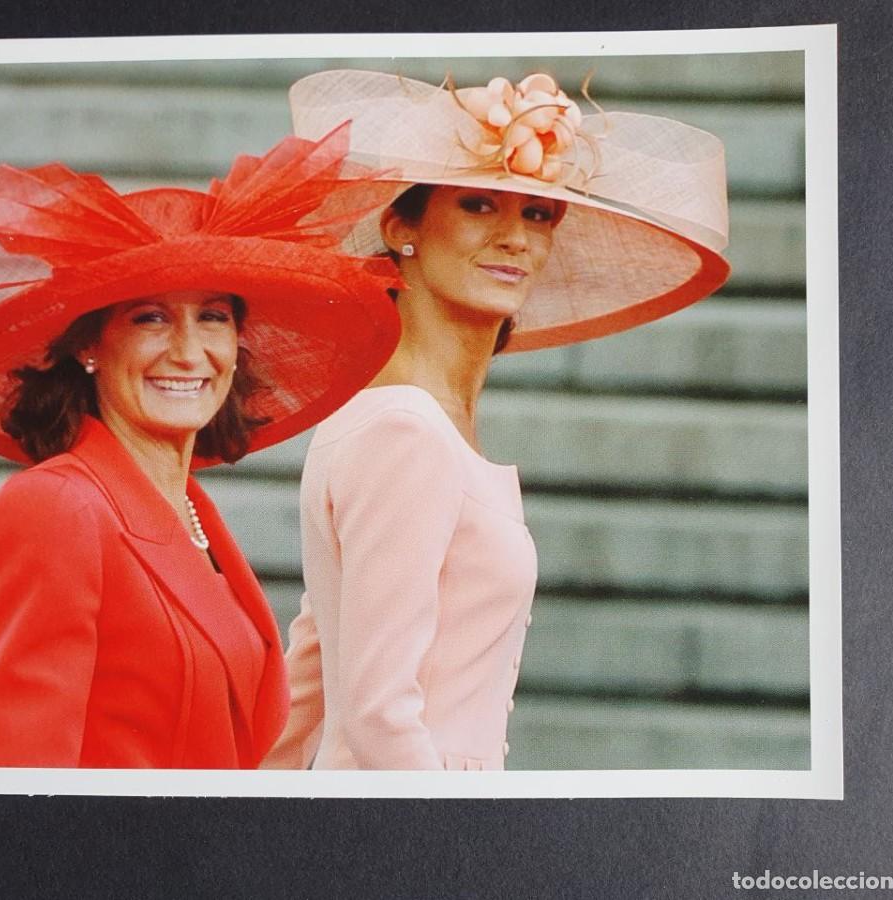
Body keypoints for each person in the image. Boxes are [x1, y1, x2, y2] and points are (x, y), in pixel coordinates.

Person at [262, 69, 731, 770]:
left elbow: (315, 666)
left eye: (538, 215)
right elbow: (378, 714)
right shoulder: (404, 431)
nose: (516, 237)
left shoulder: (407, 419)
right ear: (401, 227)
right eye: (480, 205)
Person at [0, 126, 402, 768]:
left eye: (213, 317)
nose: (188, 352)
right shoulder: (53, 508)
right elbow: (24, 782)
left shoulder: (194, 512)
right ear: (90, 345)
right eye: (149, 318)